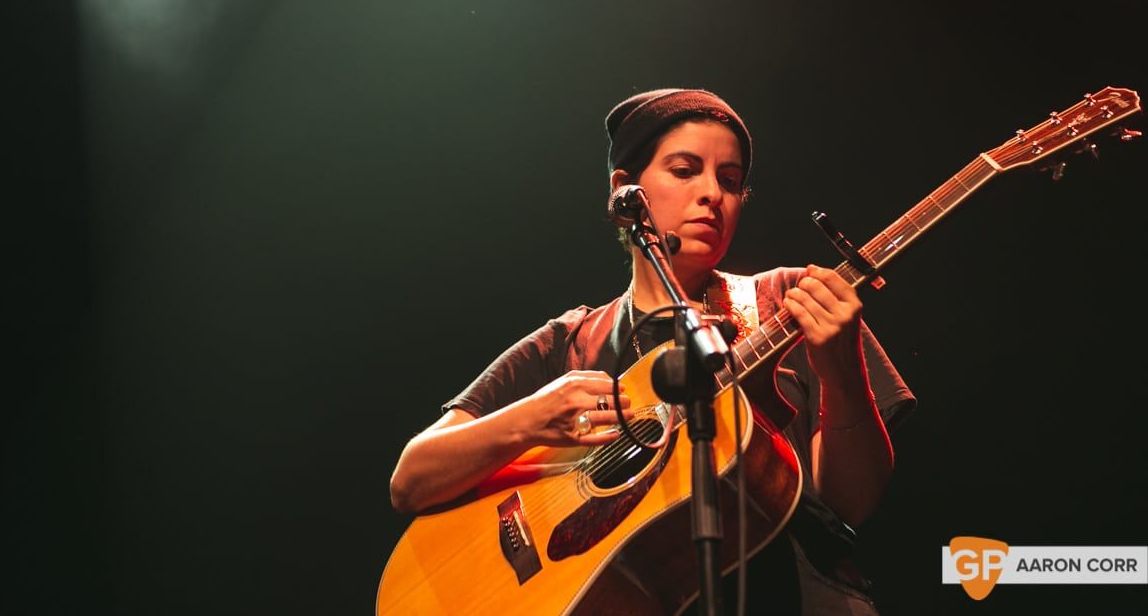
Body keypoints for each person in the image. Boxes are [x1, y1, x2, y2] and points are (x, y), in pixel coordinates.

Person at [387, 87, 916, 614]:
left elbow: (852, 502)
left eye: (729, 181)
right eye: (685, 171)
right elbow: (412, 479)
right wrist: (532, 417)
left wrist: (844, 373)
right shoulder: (568, 343)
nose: (712, 193)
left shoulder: (790, 301)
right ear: (625, 191)